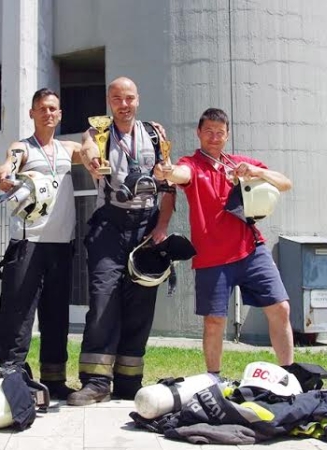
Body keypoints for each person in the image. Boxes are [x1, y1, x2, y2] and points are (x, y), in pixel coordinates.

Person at [154, 107, 294, 379]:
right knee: (214, 321)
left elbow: (285, 183)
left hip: (251, 250)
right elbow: (180, 174)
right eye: (208, 131)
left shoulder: (238, 163)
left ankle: (291, 374)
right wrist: (166, 172)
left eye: (220, 133)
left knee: (281, 307)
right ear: (199, 133)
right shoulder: (192, 163)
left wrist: (255, 172)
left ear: (227, 135)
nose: (214, 137)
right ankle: (213, 379)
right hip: (212, 257)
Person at [67, 77, 176, 406]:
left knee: (141, 304)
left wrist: (162, 226)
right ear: (109, 101)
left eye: (129, 98)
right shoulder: (98, 132)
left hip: (146, 226)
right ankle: (96, 381)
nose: (123, 104)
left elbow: (169, 186)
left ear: (138, 100)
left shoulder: (155, 134)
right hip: (109, 226)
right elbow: (86, 147)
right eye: (117, 98)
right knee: (103, 299)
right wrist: (91, 160)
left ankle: (129, 381)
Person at [0, 88, 82, 400]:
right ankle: (7, 377)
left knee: (56, 315)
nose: (48, 113)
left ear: (60, 114)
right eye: (42, 108)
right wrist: (5, 174)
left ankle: (54, 380)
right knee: (18, 314)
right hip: (27, 243)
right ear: (31, 113)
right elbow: (8, 164)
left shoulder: (69, 149)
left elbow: (96, 150)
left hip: (61, 244)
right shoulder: (23, 148)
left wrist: (95, 139)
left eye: (53, 108)